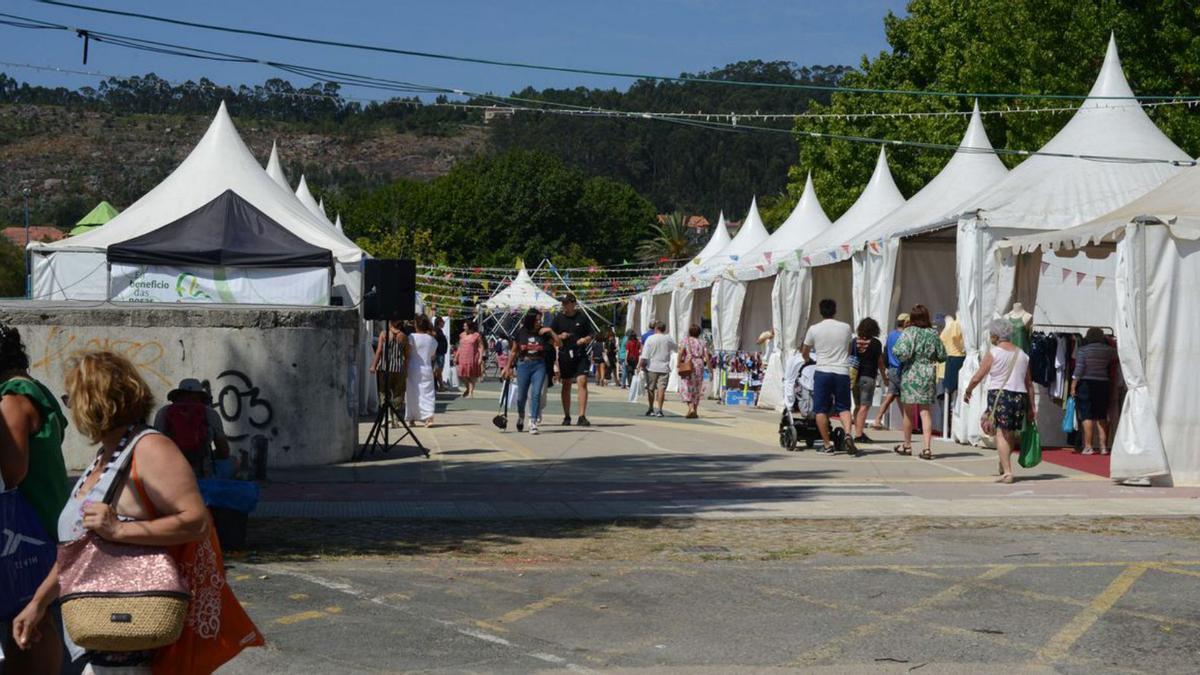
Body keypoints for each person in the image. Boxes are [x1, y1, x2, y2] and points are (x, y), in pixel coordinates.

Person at [12, 350, 262, 673]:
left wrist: (119, 530)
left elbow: (196, 520)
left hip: (133, 649)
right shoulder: (104, 458)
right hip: (97, 644)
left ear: (94, 401)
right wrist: (38, 604)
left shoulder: (151, 448)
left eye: (71, 398)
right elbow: (79, 551)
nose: (70, 408)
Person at [1, 324, 68, 674]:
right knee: (27, 614)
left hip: (27, 525)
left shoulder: (12, 399)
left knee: (32, 616)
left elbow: (13, 472)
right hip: (44, 514)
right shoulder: (37, 389)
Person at [963, 319, 1034, 483]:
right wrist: (1032, 407)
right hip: (1019, 396)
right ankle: (1004, 464)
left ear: (995, 335)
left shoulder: (994, 353)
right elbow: (1029, 383)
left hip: (1000, 395)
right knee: (1009, 433)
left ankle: (1008, 472)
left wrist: (968, 391)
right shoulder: (1022, 354)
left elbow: (978, 377)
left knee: (1001, 433)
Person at [802, 299, 859, 455]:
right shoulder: (846, 328)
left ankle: (827, 444)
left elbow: (804, 351)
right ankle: (848, 434)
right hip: (841, 371)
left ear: (820, 311)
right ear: (835, 310)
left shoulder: (814, 329)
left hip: (822, 370)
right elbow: (847, 349)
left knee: (820, 409)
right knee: (844, 407)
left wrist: (808, 359)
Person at [892, 305, 947, 459]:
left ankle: (907, 445)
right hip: (928, 374)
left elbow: (899, 351)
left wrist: (908, 358)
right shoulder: (933, 333)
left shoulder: (909, 332)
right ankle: (927, 448)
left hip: (911, 373)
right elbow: (942, 355)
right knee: (925, 412)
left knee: (908, 412)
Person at [152, 378, 231, 477]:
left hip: (170, 474)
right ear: (201, 397)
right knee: (232, 462)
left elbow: (155, 448)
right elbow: (223, 451)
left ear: (177, 396)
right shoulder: (210, 413)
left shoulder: (163, 412)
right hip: (203, 473)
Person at [503, 309, 560, 435]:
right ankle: (521, 416)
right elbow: (514, 351)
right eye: (537, 320)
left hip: (539, 365)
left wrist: (551, 331)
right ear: (530, 320)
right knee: (521, 397)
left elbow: (559, 343)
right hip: (523, 365)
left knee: (537, 394)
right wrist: (508, 367)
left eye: (541, 320)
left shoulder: (544, 332)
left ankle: (533, 421)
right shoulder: (521, 332)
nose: (540, 322)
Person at [550, 293, 595, 426]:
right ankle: (567, 415)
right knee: (566, 383)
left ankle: (582, 415)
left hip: (580, 353)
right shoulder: (558, 319)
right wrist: (559, 336)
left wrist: (585, 339)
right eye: (562, 303)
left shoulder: (582, 317)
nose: (563, 305)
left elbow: (591, 333)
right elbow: (551, 335)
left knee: (582, 381)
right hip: (565, 354)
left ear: (573, 303)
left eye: (566, 303)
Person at [1072, 327, 1118, 455]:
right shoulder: (1108, 350)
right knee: (1101, 415)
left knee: (1087, 415)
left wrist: (1073, 385)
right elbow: (1118, 356)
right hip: (1103, 383)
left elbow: (1079, 370)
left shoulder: (1083, 350)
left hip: (1086, 383)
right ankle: (1103, 447)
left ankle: (1088, 446)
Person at [850, 318, 887, 444]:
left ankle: (857, 431)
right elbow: (880, 362)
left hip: (855, 377)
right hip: (868, 377)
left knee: (857, 406)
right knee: (864, 407)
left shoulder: (854, 341)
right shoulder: (876, 343)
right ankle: (859, 434)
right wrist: (884, 377)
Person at [872, 313, 909, 430]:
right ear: (905, 323)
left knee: (894, 395)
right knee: (897, 396)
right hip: (900, 369)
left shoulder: (891, 334)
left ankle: (906, 422)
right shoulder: (904, 336)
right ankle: (879, 419)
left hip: (892, 368)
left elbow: (886, 351)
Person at [370, 319, 409, 426]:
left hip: (384, 368)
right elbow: (407, 356)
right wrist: (406, 370)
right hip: (399, 369)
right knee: (398, 394)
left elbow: (379, 351)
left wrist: (373, 365)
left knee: (383, 392)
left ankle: (386, 416)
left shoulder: (384, 334)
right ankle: (395, 417)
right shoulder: (404, 337)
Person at [407, 315, 438, 427]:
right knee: (427, 393)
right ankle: (429, 417)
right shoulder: (433, 340)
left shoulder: (411, 337)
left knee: (412, 393)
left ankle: (411, 418)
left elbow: (408, 352)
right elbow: (432, 356)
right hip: (427, 368)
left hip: (412, 367)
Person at [639, 322, 675, 417]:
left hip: (652, 367)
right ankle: (660, 409)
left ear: (656, 328)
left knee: (651, 389)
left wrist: (640, 365)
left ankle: (651, 408)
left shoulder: (650, 339)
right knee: (661, 389)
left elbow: (645, 354)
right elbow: (675, 348)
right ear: (664, 329)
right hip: (664, 367)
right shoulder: (668, 338)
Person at [678, 324, 709, 419]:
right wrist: (710, 368)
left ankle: (691, 408)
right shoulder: (702, 342)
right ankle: (695, 410)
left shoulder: (686, 340)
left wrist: (678, 363)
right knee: (697, 387)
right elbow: (706, 356)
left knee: (687, 386)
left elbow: (681, 352)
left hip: (689, 364)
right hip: (699, 364)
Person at [457, 320, 484, 398]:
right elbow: (459, 346)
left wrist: (480, 357)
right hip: (462, 357)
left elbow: (481, 346)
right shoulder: (461, 335)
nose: (463, 327)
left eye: (465, 326)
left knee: (471, 375)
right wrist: (456, 356)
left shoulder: (476, 335)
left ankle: (471, 393)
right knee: (461, 375)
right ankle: (468, 388)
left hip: (472, 357)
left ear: (469, 327)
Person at [432, 317, 449, 392]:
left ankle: (439, 385)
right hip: (438, 353)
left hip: (440, 352)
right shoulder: (436, 330)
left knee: (438, 370)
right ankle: (440, 386)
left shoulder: (439, 330)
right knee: (438, 370)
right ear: (439, 322)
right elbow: (435, 341)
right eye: (443, 322)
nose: (444, 323)